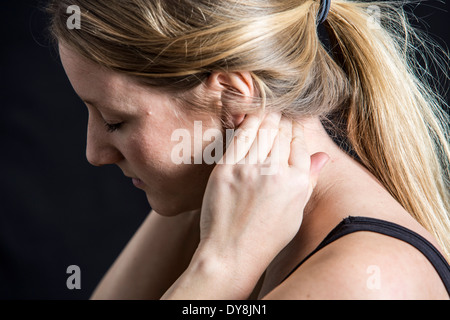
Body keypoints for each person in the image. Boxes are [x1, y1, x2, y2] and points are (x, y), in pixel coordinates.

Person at [47, 0, 450, 299]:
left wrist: (220, 268)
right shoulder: (229, 209)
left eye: (116, 120)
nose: (95, 152)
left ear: (233, 98)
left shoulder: (361, 283)